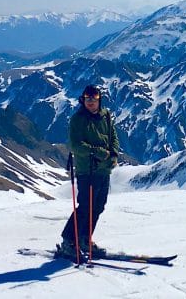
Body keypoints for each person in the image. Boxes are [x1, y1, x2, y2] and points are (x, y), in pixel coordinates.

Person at [60, 84, 119, 258]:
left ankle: (85, 239)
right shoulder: (78, 119)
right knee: (85, 206)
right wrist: (97, 151)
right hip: (87, 170)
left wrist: (114, 153)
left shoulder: (106, 115)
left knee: (98, 206)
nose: (91, 102)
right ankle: (68, 241)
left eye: (94, 99)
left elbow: (113, 136)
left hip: (104, 169)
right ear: (83, 100)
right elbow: (74, 145)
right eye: (87, 99)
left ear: (99, 99)